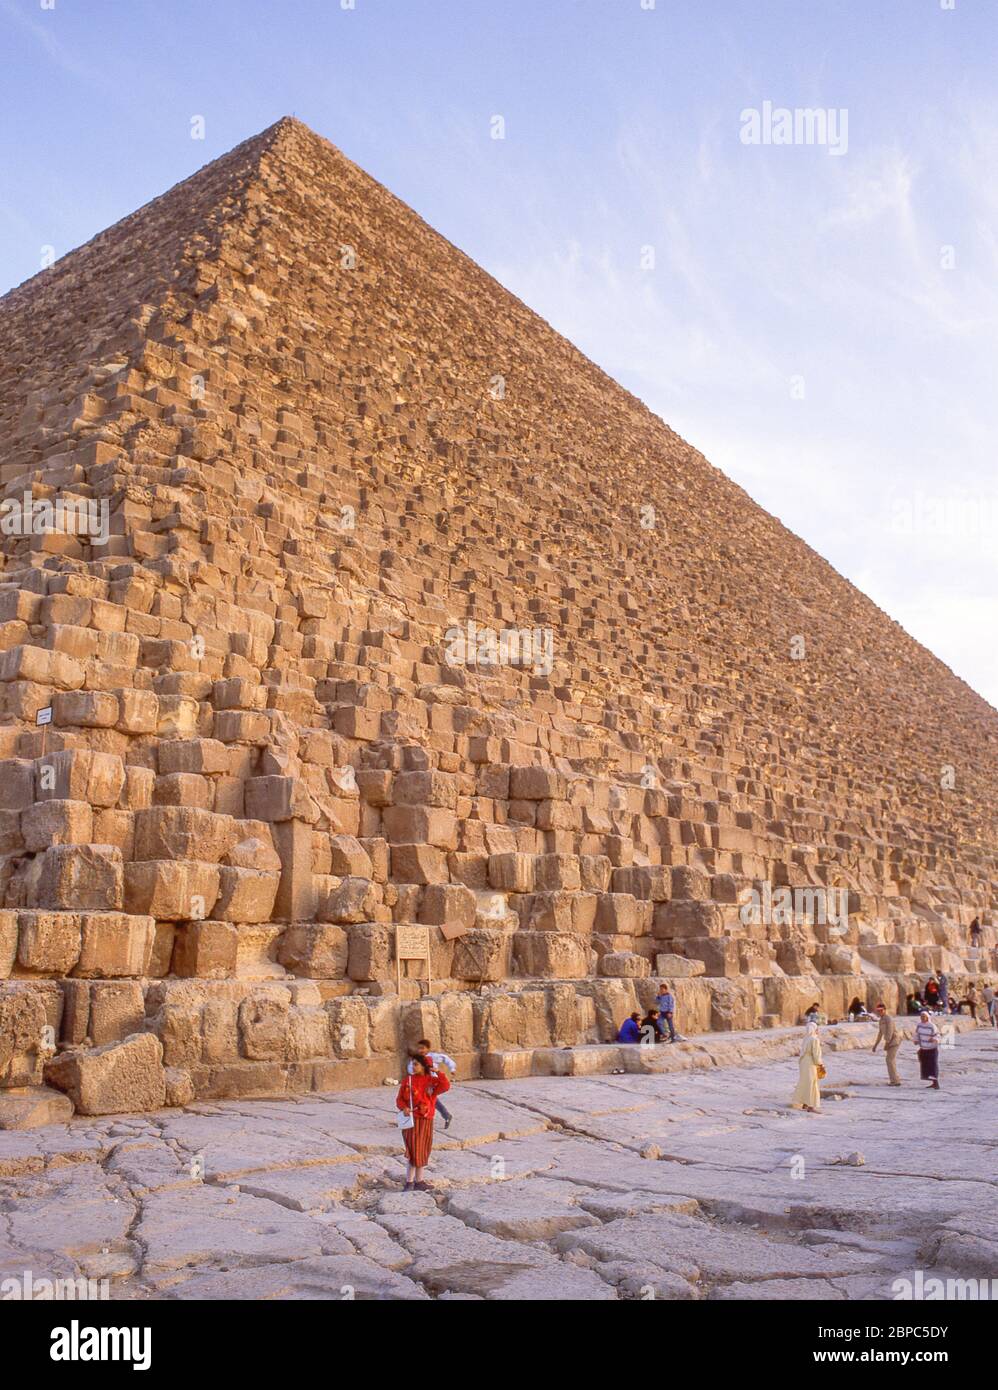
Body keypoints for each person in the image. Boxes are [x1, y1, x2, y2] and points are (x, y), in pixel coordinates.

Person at [396, 1052, 450, 1191]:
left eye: (416, 1064)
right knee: (413, 1150)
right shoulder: (407, 1081)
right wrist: (404, 1107)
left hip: (425, 1120)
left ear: (424, 1066)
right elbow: (400, 1099)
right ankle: (409, 1182)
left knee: (422, 1150)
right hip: (411, 1121)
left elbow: (445, 1086)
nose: (413, 1067)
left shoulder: (431, 1081)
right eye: (412, 1064)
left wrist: (438, 1072)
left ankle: (419, 1181)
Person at [408, 1038, 456, 1130]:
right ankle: (444, 1115)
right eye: (419, 1048)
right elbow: (410, 1067)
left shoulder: (433, 1057)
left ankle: (439, 1116)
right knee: (429, 1100)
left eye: (422, 1048)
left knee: (430, 1099)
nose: (420, 1050)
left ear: (428, 1049)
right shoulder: (417, 1059)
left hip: (431, 1082)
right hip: (420, 1082)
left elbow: (446, 1059)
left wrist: (452, 1068)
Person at [791, 1021, 823, 1113]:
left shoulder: (806, 1039)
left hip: (803, 1062)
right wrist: (820, 1064)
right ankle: (811, 1106)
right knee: (812, 1083)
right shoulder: (814, 1039)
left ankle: (804, 1103)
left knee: (805, 1081)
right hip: (810, 1063)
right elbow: (816, 1055)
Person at [872, 1003, 902, 1086]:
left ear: (885, 1010)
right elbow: (880, 1033)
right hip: (889, 1041)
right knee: (890, 1060)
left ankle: (895, 1081)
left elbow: (890, 1032)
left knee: (890, 1060)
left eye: (881, 1010)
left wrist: (887, 1043)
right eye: (878, 1011)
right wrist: (875, 1045)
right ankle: (895, 1079)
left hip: (894, 1041)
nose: (880, 1012)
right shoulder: (881, 1020)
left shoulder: (888, 1019)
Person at [913, 1011, 941, 1090]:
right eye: (921, 1017)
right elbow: (916, 1034)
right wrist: (916, 1040)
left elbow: (938, 1035)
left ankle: (936, 1083)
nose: (922, 1018)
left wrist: (934, 1039)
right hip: (923, 1048)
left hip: (932, 1049)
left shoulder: (932, 1026)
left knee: (932, 1066)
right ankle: (933, 1083)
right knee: (926, 1066)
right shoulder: (919, 1025)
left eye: (924, 1017)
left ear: (927, 1017)